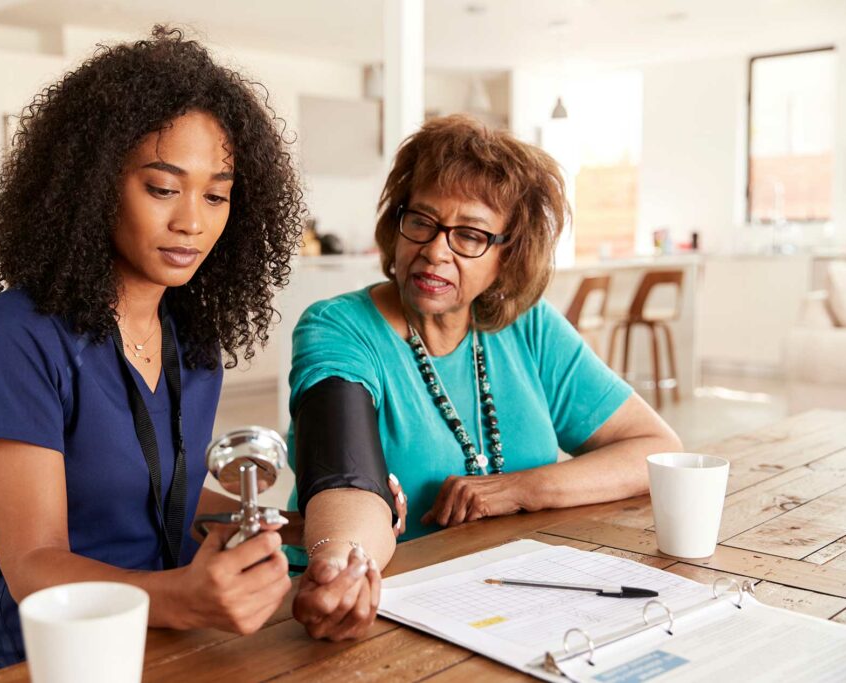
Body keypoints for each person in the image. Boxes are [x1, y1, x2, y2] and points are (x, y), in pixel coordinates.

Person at [0, 27, 307, 678]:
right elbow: (34, 565)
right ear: (92, 186)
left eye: (216, 193)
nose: (193, 222)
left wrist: (294, 524)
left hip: (168, 648)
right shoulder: (17, 337)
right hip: (44, 660)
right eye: (162, 187)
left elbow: (159, 496)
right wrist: (185, 596)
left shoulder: (193, 339)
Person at [288, 115, 682, 640]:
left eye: (470, 235)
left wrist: (520, 488)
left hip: (511, 598)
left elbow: (653, 448)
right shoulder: (338, 327)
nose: (435, 249)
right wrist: (344, 566)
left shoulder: (530, 327)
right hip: (384, 606)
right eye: (422, 221)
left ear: (508, 255)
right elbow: (345, 475)